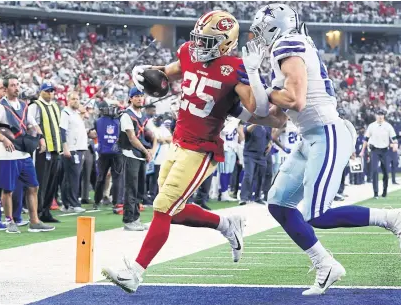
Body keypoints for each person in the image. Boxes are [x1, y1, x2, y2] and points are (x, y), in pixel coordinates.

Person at [102, 10, 288, 293]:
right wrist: (147, 73)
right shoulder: (189, 52)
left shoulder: (233, 67)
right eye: (198, 39)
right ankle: (226, 224)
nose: (200, 45)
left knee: (163, 207)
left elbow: (255, 108)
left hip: (202, 149)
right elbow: (168, 72)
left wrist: (251, 72)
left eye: (208, 41)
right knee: (170, 211)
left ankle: (135, 272)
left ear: (225, 43)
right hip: (179, 140)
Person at [241, 4, 401, 296]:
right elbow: (278, 117)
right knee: (278, 203)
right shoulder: (287, 47)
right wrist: (241, 112)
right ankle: (325, 264)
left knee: (317, 214)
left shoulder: (287, 44)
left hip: (327, 132)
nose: (257, 38)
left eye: (260, 31)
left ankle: (392, 218)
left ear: (275, 28)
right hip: (309, 136)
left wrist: (255, 79)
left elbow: (295, 101)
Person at [0, 75, 55, 233]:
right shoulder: (0, 107)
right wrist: (3, 139)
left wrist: (41, 139)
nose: (16, 87)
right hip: (7, 155)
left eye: (17, 84)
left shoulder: (24, 105)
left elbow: (32, 124)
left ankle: (34, 221)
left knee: (33, 186)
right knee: (8, 190)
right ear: (5, 89)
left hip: (23, 154)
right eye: (12, 85)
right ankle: (9, 221)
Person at [117, 87, 154, 231]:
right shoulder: (127, 115)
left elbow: (149, 134)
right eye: (136, 96)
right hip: (130, 154)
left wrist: (151, 149)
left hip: (140, 155)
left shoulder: (143, 115)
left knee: (139, 189)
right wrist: (146, 151)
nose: (139, 98)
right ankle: (128, 219)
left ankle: (136, 218)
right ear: (130, 98)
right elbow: (132, 138)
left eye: (141, 96)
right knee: (131, 188)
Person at [29, 81, 62, 223]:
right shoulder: (35, 106)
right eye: (47, 91)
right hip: (42, 149)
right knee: (41, 181)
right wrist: (38, 140)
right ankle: (37, 211)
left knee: (52, 182)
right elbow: (30, 125)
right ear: (41, 92)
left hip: (55, 149)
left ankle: (46, 210)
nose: (50, 93)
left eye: (52, 91)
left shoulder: (55, 106)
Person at [59, 92, 88, 213]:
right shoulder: (65, 113)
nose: (76, 101)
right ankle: (73, 203)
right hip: (72, 148)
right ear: (68, 100)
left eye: (77, 99)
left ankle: (67, 204)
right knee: (73, 177)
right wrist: (65, 147)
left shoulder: (75, 113)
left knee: (71, 177)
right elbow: (62, 131)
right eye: (73, 99)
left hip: (79, 147)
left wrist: (82, 112)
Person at [92, 103, 124, 211]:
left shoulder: (97, 121)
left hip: (103, 152)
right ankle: (116, 202)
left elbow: (96, 130)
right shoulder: (118, 121)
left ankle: (96, 201)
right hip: (116, 152)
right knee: (116, 178)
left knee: (101, 178)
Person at [360, 109, 398, 198]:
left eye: (382, 115)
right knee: (374, 171)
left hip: (384, 150)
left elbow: (394, 138)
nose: (380, 116)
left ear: (384, 116)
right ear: (376, 116)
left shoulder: (388, 126)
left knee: (385, 171)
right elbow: (366, 139)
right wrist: (362, 151)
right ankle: (375, 193)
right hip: (375, 150)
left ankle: (384, 191)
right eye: (378, 114)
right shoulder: (371, 126)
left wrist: (395, 144)